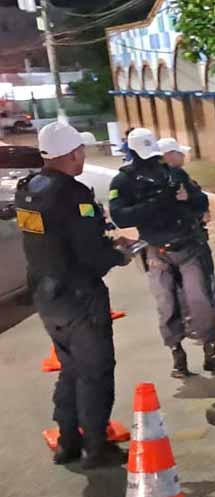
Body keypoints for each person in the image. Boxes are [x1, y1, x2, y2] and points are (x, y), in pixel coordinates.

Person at [16, 122, 134, 467]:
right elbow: (90, 255)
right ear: (72, 153)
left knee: (70, 368)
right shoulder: (74, 194)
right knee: (95, 370)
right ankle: (95, 448)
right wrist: (119, 254)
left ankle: (68, 442)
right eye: (81, 150)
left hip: (46, 296)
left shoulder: (29, 189)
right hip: (78, 297)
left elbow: (56, 240)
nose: (83, 156)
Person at [109, 128, 215, 378]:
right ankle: (177, 354)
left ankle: (211, 352)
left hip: (187, 244)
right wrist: (155, 204)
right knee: (166, 305)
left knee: (200, 300)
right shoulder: (123, 181)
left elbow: (201, 201)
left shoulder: (173, 174)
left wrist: (187, 197)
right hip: (156, 250)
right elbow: (120, 217)